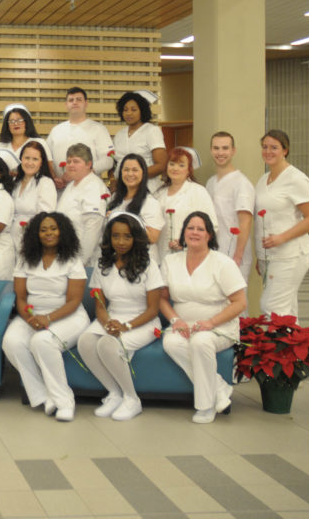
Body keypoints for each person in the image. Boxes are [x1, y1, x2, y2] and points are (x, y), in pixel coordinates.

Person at [160, 212, 246, 424]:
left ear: (209, 235)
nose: (195, 233)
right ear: (183, 233)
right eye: (190, 228)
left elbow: (240, 302)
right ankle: (219, 388)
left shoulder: (222, 263)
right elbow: (162, 299)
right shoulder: (171, 261)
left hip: (219, 326)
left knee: (200, 342)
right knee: (171, 343)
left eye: (200, 229)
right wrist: (175, 321)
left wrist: (210, 323)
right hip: (184, 325)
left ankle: (205, 406)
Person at [3, 212, 90, 422]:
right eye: (43, 230)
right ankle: (43, 395)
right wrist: (30, 317)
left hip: (68, 316)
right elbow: (21, 297)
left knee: (42, 341)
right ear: (36, 234)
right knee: (11, 342)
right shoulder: (26, 260)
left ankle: (64, 401)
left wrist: (48, 319)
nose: (49, 233)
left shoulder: (72, 260)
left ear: (62, 231)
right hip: (32, 315)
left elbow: (74, 301)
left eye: (53, 228)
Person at [77, 213, 163, 421]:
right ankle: (114, 394)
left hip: (144, 321)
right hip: (112, 318)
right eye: (116, 236)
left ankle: (132, 399)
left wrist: (125, 326)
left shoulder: (149, 265)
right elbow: (100, 305)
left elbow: (153, 309)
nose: (121, 242)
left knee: (108, 344)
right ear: (109, 238)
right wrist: (107, 323)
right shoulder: (102, 265)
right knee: (85, 341)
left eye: (127, 236)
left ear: (136, 238)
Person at [254, 130, 309, 317]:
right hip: (270, 256)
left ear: (285, 150)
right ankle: (295, 345)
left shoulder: (296, 179)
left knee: (272, 307)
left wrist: (282, 237)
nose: (268, 151)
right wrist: (261, 256)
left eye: (274, 147)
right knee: (287, 310)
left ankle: (277, 346)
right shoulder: (263, 179)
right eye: (265, 147)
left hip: (291, 254)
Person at [206, 131, 254, 282]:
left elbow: (245, 222)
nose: (220, 153)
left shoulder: (241, 183)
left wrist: (237, 257)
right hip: (214, 253)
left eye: (225, 148)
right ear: (211, 150)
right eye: (216, 148)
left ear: (233, 151)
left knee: (236, 302)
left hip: (234, 257)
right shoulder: (210, 183)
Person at [154, 147, 217, 258]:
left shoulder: (198, 191)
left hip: (190, 254)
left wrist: (185, 243)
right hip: (162, 255)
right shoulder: (159, 193)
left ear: (189, 170)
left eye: (181, 165)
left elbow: (212, 226)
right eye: (172, 164)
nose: (175, 168)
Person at [46, 87, 114, 186]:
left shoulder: (99, 129)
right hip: (60, 189)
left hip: (89, 187)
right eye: (71, 100)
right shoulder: (56, 130)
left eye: (79, 99)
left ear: (86, 103)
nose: (75, 102)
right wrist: (53, 177)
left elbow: (108, 160)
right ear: (66, 104)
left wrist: (82, 173)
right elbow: (47, 159)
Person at [56, 143, 108, 266]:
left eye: (76, 161)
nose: (71, 165)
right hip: (65, 255)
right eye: (68, 162)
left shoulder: (94, 186)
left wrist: (80, 262)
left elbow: (92, 228)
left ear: (89, 164)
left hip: (84, 261)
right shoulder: (71, 186)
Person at [112, 91, 167, 192]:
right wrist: (114, 180)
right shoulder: (119, 134)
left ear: (142, 111)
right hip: (123, 189)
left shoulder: (151, 131)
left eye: (134, 110)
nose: (129, 113)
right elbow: (115, 163)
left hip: (147, 188)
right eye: (125, 110)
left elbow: (161, 165)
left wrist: (135, 176)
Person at [106, 154, 163, 248]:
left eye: (135, 170)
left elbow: (153, 238)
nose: (130, 174)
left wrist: (119, 217)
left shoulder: (150, 202)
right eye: (126, 170)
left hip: (141, 258)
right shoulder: (115, 198)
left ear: (143, 173)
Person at [11, 140, 56, 255]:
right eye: (27, 158)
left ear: (41, 162)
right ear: (21, 159)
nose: (30, 163)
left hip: (32, 243)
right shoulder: (15, 182)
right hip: (11, 242)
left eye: (35, 159)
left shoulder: (45, 183)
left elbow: (45, 217)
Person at [0, 103, 42, 173]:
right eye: (11, 121)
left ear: (27, 122)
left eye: (19, 120)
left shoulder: (39, 142)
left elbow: (47, 170)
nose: (15, 124)